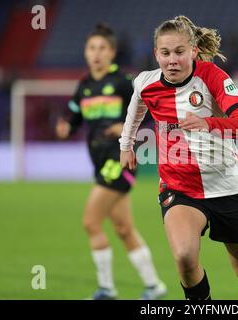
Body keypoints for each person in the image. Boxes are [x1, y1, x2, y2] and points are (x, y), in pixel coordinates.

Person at [120, 15, 238, 300]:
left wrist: (209, 123)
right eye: (165, 53)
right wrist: (126, 145)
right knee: (184, 257)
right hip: (180, 188)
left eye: (179, 52)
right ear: (156, 54)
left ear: (193, 50)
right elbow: (136, 109)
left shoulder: (213, 77)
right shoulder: (146, 83)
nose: (172, 60)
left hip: (227, 186)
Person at [55, 23, 166, 300]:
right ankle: (154, 286)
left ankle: (106, 288)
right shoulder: (84, 86)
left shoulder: (124, 82)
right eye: (92, 48)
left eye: (102, 48)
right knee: (123, 228)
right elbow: (73, 116)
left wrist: (125, 127)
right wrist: (66, 126)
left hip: (119, 160)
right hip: (99, 163)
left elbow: (153, 111)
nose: (97, 53)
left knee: (91, 222)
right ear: (85, 52)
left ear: (112, 52)